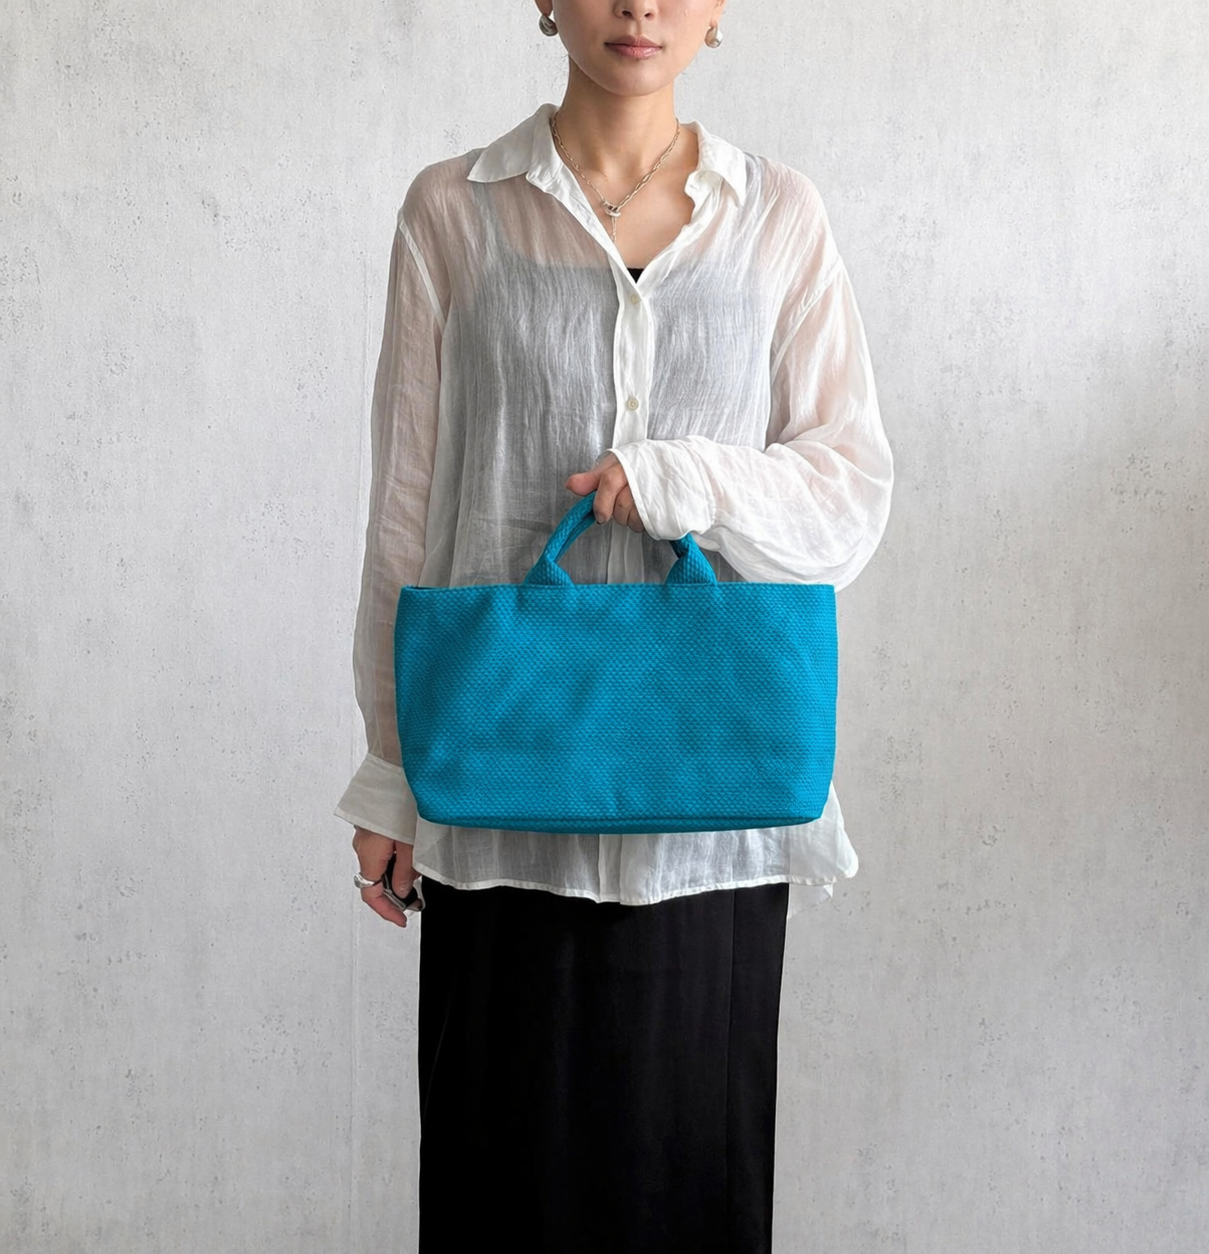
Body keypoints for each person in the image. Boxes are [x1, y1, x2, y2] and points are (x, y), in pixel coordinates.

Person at [334, 1, 893, 1249]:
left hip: (712, 810)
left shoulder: (777, 217)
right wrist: (389, 772)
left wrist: (683, 479)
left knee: (692, 1188)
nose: (639, 4)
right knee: (500, 1187)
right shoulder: (454, 210)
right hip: (497, 788)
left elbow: (848, 497)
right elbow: (408, 509)